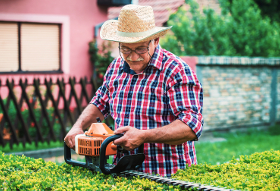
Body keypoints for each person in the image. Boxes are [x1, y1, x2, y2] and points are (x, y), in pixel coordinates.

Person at [64, 4, 204, 177]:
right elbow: (100, 102)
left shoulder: (176, 71)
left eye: (140, 49)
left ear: (156, 41)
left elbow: (191, 126)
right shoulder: (115, 67)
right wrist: (77, 127)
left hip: (169, 176)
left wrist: (144, 136)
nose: (133, 56)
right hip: (122, 173)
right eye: (126, 49)